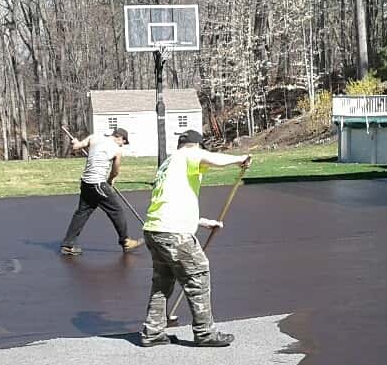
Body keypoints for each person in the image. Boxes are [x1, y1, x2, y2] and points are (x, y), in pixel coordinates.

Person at [139, 130, 250, 348]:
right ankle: (205, 332)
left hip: (156, 230)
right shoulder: (189, 155)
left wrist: (200, 221)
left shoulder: (170, 163)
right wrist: (239, 159)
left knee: (162, 283)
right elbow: (211, 159)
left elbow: (170, 200)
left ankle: (152, 332)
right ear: (196, 146)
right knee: (198, 274)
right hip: (173, 232)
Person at [60, 127, 142, 256]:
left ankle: (68, 244)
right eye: (124, 142)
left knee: (82, 212)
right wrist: (110, 180)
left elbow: (76, 147)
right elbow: (115, 171)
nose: (123, 145)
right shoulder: (117, 149)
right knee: (116, 211)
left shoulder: (94, 137)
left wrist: (75, 142)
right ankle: (126, 241)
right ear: (120, 138)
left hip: (86, 183)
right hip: (97, 183)